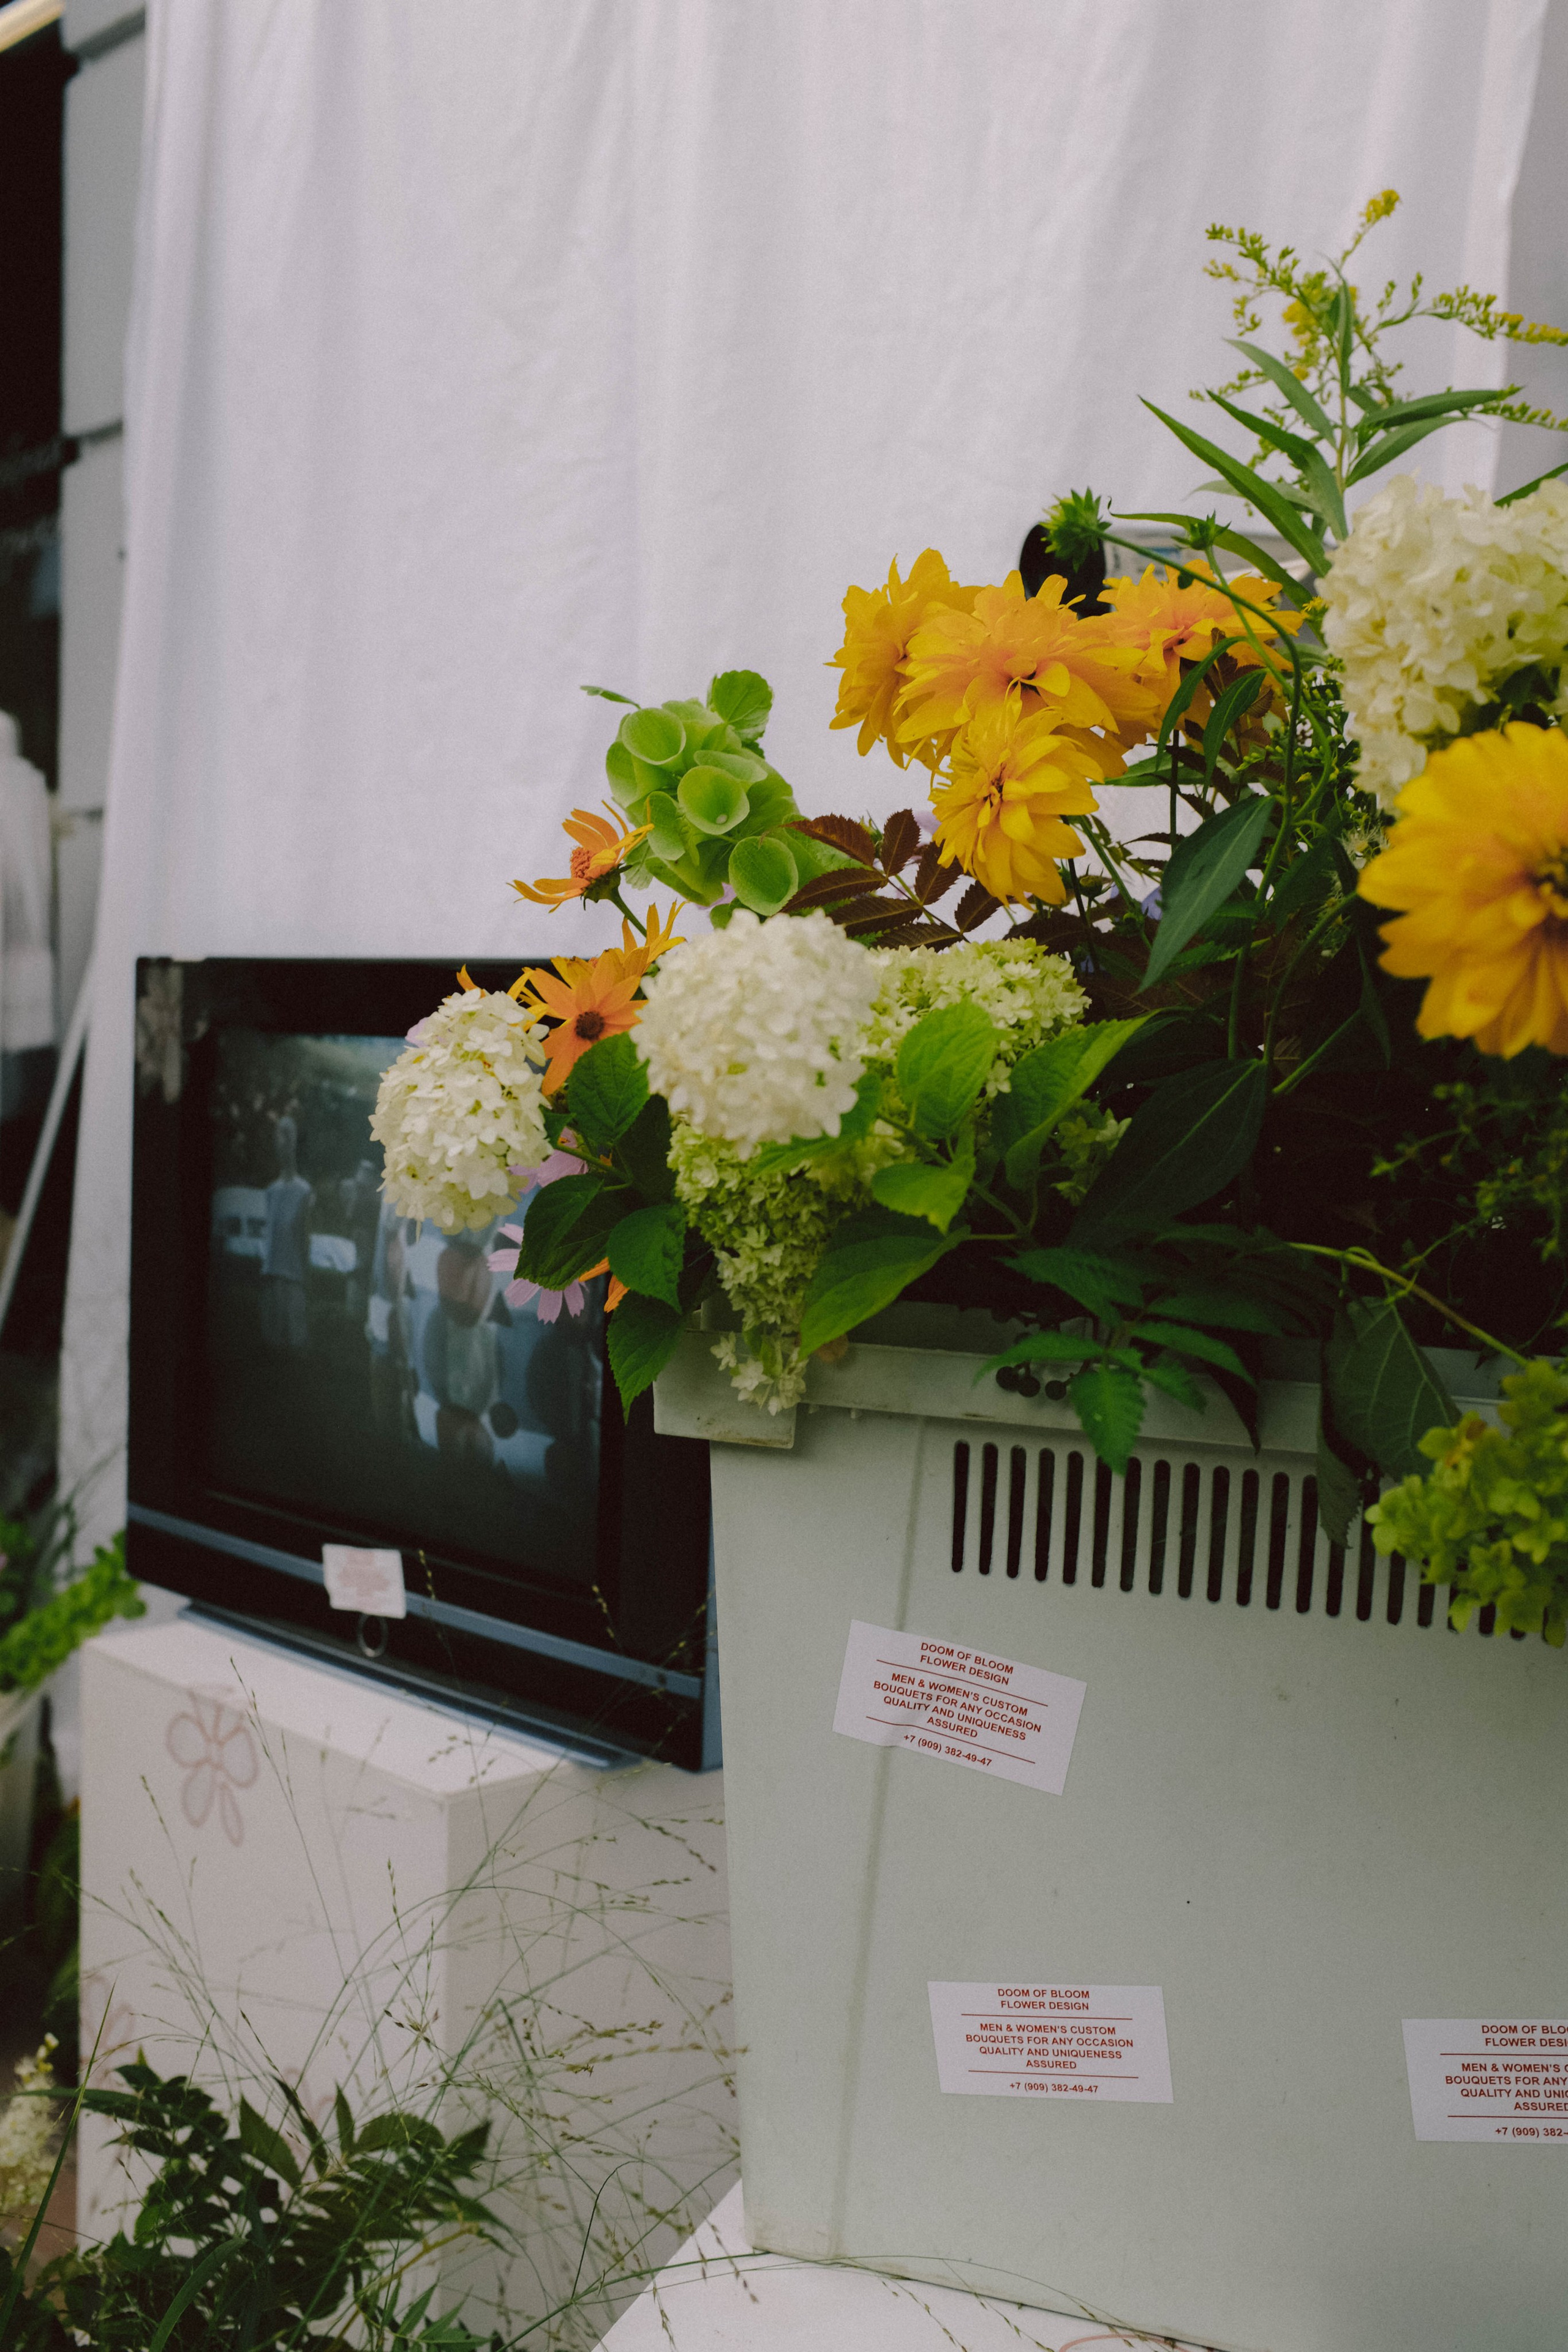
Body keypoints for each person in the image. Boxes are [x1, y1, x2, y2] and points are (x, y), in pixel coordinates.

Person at [259, 1114, 313, 1350]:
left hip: (294, 1279)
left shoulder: (304, 1191)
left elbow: (305, 1239)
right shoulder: (271, 1191)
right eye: (279, 1135)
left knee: (296, 1349)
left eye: (288, 1135)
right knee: (270, 1349)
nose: (283, 1142)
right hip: (272, 1276)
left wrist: (306, 1278)